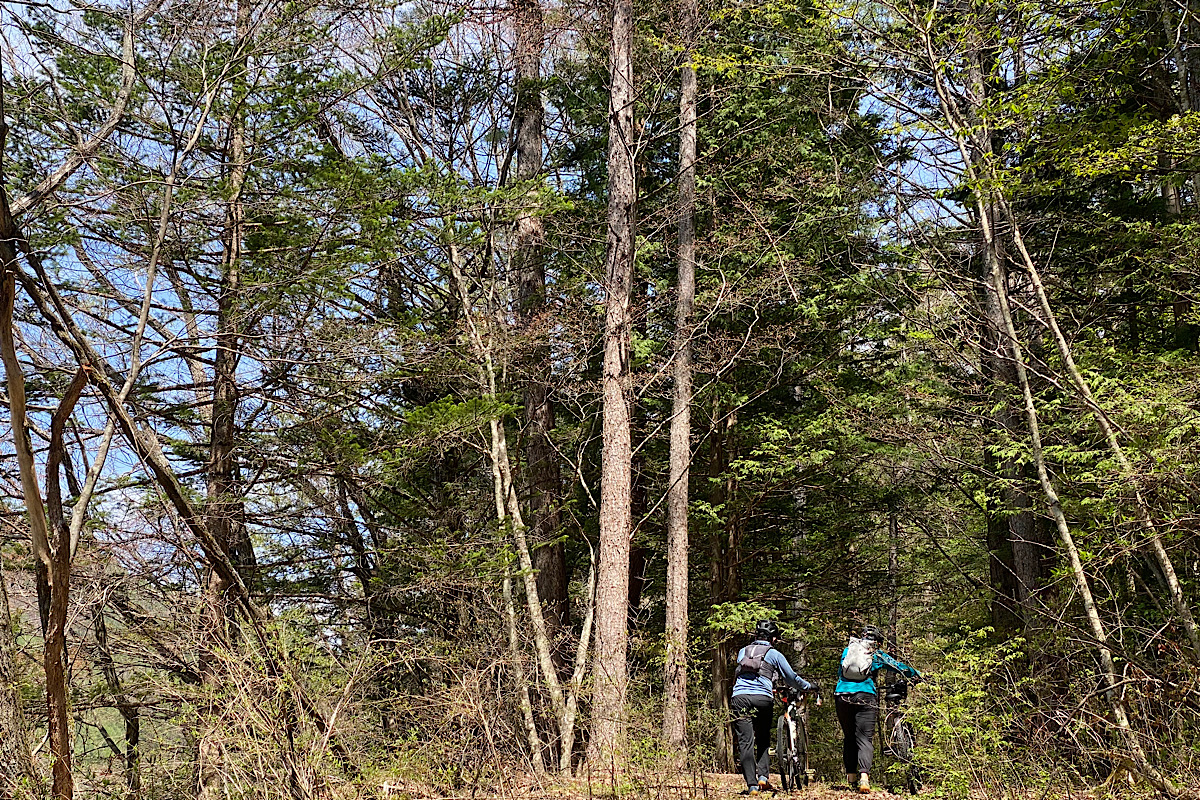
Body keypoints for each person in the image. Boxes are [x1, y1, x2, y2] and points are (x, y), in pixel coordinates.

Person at [731, 620, 818, 794]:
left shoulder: (743, 651)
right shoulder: (774, 653)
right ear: (774, 639)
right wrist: (808, 686)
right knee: (763, 736)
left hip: (739, 697)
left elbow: (739, 672)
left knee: (745, 742)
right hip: (763, 698)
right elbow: (791, 677)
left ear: (756, 636)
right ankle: (763, 777)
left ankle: (752, 786)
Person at [834, 625, 921, 794]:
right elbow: (897, 666)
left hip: (842, 695)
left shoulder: (848, 650)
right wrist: (916, 674)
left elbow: (840, 672)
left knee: (849, 737)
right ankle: (864, 779)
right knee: (864, 738)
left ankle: (851, 779)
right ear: (878, 642)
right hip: (865, 695)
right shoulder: (876, 654)